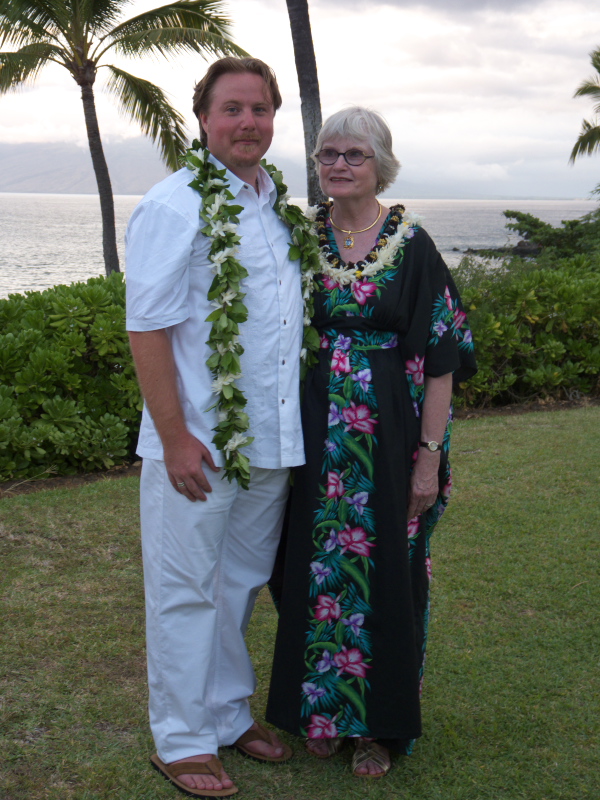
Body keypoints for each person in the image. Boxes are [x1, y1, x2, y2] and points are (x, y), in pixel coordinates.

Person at [266, 107, 477, 778]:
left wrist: (428, 459)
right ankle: (321, 714)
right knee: (309, 567)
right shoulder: (300, 239)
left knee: (386, 573)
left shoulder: (412, 244)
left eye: (354, 154)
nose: (339, 165)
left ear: (379, 164)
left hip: (389, 438)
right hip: (310, 437)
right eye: (328, 153)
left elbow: (442, 358)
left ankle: (376, 729)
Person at [126, 57, 304, 798]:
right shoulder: (175, 206)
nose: (247, 122)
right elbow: (147, 327)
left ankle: (228, 714)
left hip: (271, 440)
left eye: (260, 109)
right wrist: (174, 438)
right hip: (198, 442)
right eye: (232, 109)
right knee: (185, 589)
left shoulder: (279, 207)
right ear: (203, 119)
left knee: (239, 584)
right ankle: (182, 740)